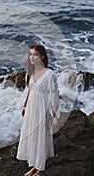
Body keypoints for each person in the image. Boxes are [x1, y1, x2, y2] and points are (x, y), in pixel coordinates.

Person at [16, 44, 60, 176]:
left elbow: (54, 94)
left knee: (41, 137)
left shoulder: (49, 74)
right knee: (32, 136)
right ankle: (34, 166)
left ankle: (40, 168)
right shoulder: (30, 72)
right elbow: (28, 90)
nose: (32, 57)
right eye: (30, 54)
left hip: (42, 109)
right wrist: (24, 106)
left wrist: (54, 114)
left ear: (42, 56)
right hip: (31, 108)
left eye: (35, 55)